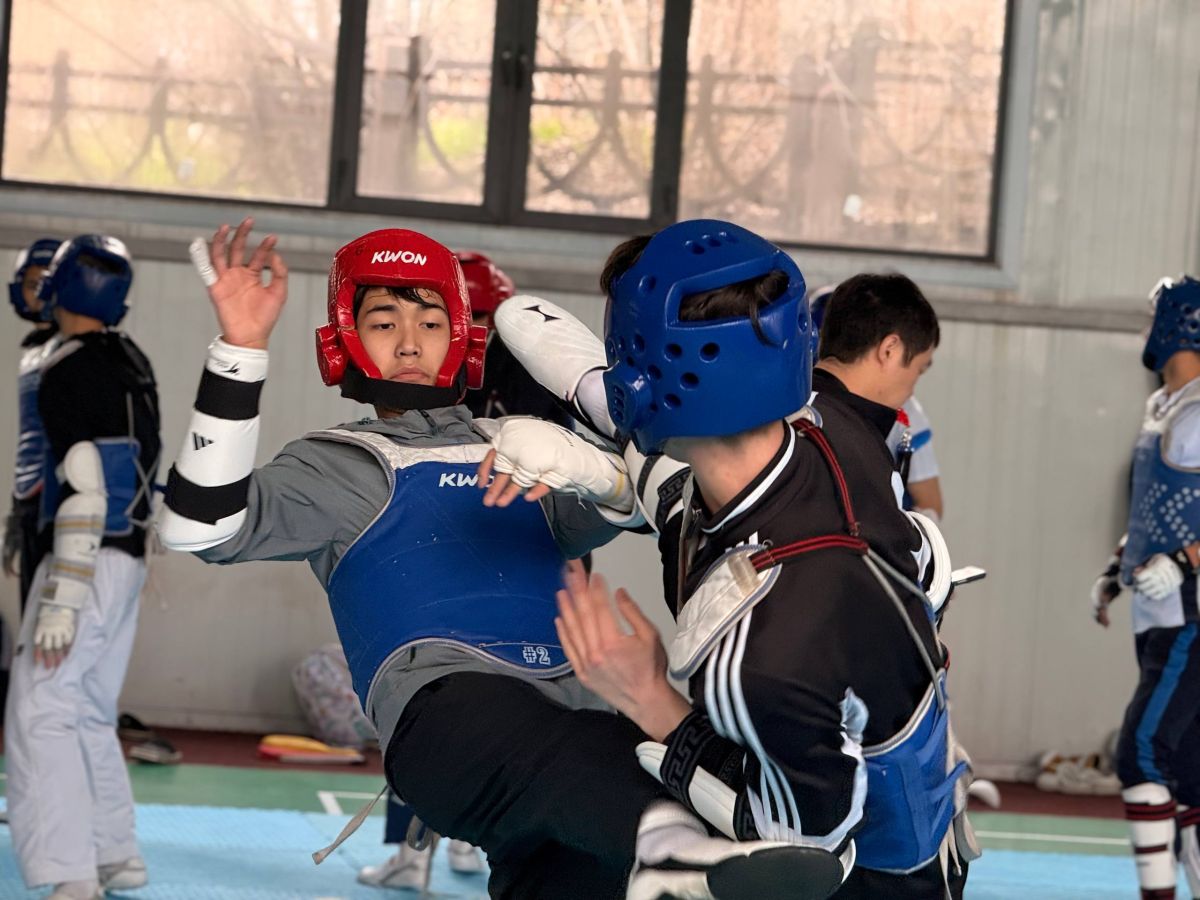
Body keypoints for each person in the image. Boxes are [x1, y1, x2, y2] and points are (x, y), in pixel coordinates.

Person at [159, 220, 822, 900]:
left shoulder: (521, 444)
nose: (410, 342)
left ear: (462, 336)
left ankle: (669, 847)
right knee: (590, 755)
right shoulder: (337, 465)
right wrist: (240, 348)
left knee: (581, 845)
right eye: (384, 323)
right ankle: (671, 845)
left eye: (431, 322)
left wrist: (595, 469)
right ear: (345, 339)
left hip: (574, 720)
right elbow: (199, 525)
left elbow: (641, 507)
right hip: (448, 724)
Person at [487, 220, 973, 898]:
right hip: (925, 820)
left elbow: (801, 852)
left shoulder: (759, 659)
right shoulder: (839, 430)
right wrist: (609, 456)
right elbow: (705, 491)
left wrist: (649, 696)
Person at [5, 235, 161, 900]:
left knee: (42, 709)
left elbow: (87, 477)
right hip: (125, 555)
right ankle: (114, 854)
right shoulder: (129, 359)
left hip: (84, 555)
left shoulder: (67, 368)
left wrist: (64, 594)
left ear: (59, 288)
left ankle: (70, 876)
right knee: (91, 709)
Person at [1091, 275, 1200, 900]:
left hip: (1189, 611)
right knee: (1187, 767)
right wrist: (1119, 565)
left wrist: (1186, 562)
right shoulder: (1165, 405)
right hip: (1159, 611)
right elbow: (1159, 506)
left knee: (1144, 752)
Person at [810, 276, 943, 518]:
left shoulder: (777, 411)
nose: (911, 390)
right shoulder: (861, 449)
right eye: (919, 370)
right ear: (889, 350)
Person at [4, 237, 62, 610]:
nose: (38, 293)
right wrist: (15, 514)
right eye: (31, 283)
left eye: (47, 282)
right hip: (29, 499)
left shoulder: (75, 348)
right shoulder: (31, 351)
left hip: (60, 501)